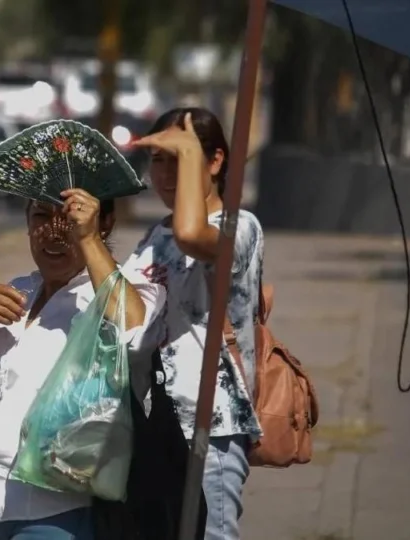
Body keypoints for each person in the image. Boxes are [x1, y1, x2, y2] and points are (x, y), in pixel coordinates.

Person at [0, 190, 162, 540]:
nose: (55, 231)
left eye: (70, 218)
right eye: (41, 216)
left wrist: (87, 238)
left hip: (64, 510)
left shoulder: (121, 292)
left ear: (105, 223)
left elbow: (136, 330)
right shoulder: (15, 294)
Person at [126, 107, 264, 540]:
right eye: (160, 160)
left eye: (180, 159)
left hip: (211, 420)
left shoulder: (240, 228)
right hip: (153, 420)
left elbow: (193, 237)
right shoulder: (155, 236)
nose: (166, 174)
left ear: (216, 161)